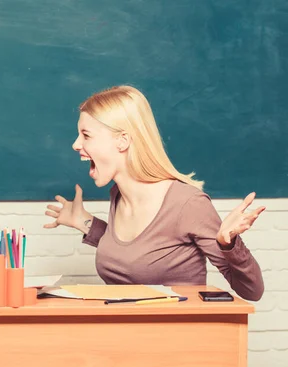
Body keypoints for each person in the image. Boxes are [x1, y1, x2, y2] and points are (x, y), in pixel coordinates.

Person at [44, 85, 264, 301]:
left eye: (86, 135)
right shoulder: (118, 195)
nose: (75, 144)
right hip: (126, 331)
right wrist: (85, 222)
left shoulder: (187, 204)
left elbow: (252, 291)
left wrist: (229, 245)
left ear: (123, 141)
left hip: (178, 333)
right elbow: (139, 253)